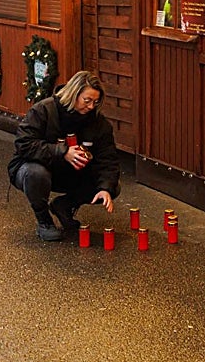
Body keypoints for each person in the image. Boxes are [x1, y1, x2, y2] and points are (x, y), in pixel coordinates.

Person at [7, 71, 120, 241]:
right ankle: (44, 221)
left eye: (95, 102)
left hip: (70, 173)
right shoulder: (43, 110)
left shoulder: (99, 123)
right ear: (74, 94)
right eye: (87, 100)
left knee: (112, 186)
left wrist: (105, 188)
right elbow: (24, 143)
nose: (90, 107)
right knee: (36, 174)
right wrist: (62, 152)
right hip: (35, 168)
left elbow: (108, 159)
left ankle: (64, 206)